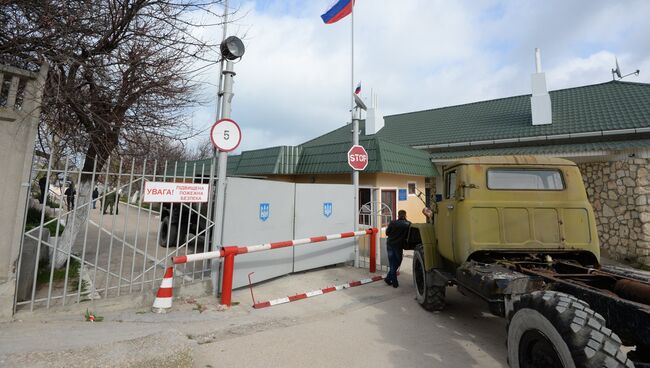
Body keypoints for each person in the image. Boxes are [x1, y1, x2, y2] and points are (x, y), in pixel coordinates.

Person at [385, 210, 411, 288]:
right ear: (405, 215)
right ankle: (394, 283)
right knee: (397, 263)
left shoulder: (393, 223)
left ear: (398, 215)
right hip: (398, 246)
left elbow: (387, 233)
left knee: (392, 263)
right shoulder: (408, 224)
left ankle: (388, 278)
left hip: (390, 244)